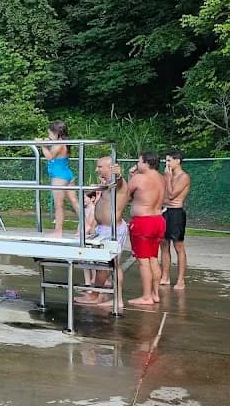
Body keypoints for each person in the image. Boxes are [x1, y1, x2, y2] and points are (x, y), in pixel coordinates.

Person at [76, 157, 131, 311]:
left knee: (106, 266)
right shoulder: (107, 184)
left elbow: (120, 182)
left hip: (112, 230)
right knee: (109, 265)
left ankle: (96, 295)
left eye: (100, 167)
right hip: (104, 229)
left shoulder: (118, 184)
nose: (97, 170)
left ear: (110, 167)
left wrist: (118, 175)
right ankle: (107, 297)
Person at [126, 151, 166, 307]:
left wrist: (130, 176)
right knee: (153, 258)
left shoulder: (139, 178)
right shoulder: (162, 178)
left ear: (146, 163)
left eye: (139, 162)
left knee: (143, 261)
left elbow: (126, 195)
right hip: (158, 220)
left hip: (144, 222)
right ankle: (155, 294)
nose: (137, 165)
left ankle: (146, 296)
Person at [40, 120, 80, 238]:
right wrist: (47, 142)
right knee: (74, 201)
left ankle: (58, 231)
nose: (49, 137)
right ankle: (87, 225)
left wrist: (42, 145)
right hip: (67, 174)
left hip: (59, 177)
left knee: (58, 205)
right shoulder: (64, 142)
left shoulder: (59, 144)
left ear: (56, 133)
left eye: (50, 134)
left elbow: (49, 156)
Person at [161, 151, 191, 290]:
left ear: (177, 161)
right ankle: (165, 276)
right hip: (165, 211)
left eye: (169, 161)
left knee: (178, 246)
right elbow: (163, 195)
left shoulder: (183, 177)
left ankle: (180, 280)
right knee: (164, 244)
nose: (166, 164)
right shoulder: (167, 176)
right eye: (166, 161)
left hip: (176, 213)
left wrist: (167, 178)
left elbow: (172, 195)